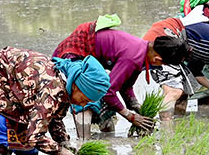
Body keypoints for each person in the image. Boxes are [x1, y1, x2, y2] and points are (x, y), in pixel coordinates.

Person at [52, 15, 188, 139]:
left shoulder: (143, 51)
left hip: (92, 54)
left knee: (107, 118)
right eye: (162, 63)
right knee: (88, 98)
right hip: (77, 51)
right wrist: (130, 116)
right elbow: (108, 91)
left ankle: (104, 140)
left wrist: (137, 108)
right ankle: (83, 143)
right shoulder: (133, 57)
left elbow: (125, 86)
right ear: (158, 59)